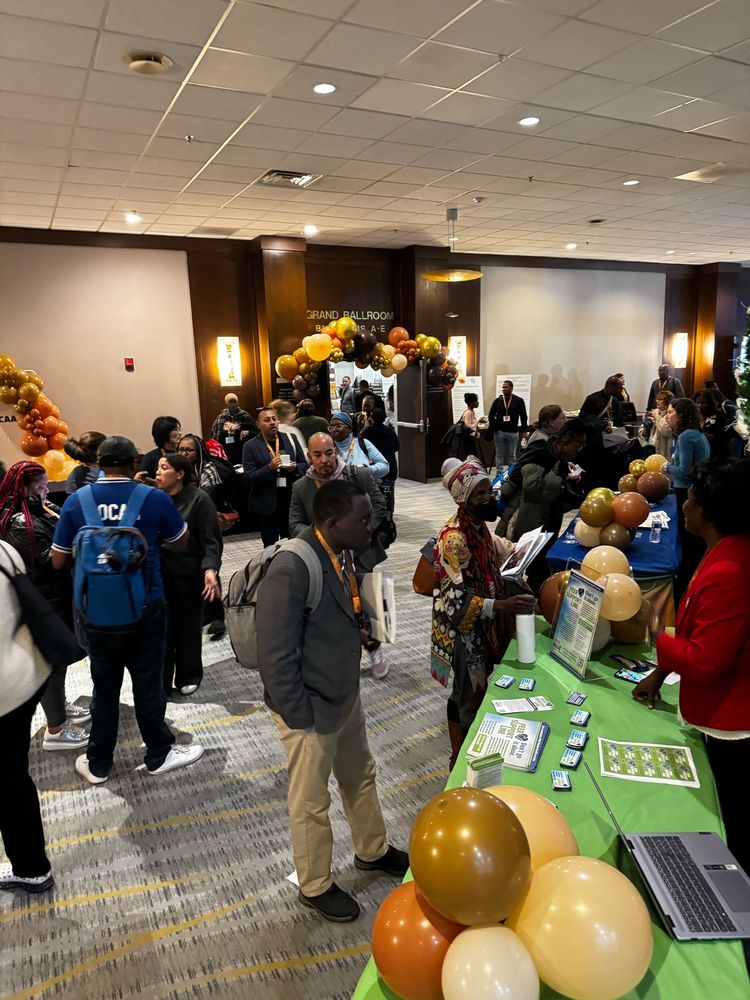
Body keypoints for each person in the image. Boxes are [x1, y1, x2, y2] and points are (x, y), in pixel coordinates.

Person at [256, 480, 408, 922]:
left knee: (360, 776)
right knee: (310, 801)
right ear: (331, 522)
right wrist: (300, 716)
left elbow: (336, 610)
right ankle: (315, 884)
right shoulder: (292, 567)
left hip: (344, 694)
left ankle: (372, 850)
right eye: (362, 519)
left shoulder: (342, 552)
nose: (370, 526)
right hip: (309, 708)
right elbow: (274, 655)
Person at [51, 436, 204, 783]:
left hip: (97, 611)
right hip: (146, 605)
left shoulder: (77, 501)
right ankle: (158, 754)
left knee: (104, 688)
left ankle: (98, 763)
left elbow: (58, 560)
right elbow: (180, 542)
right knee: (148, 684)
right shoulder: (153, 498)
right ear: (135, 462)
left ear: (98, 462)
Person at [632, 458, 750, 877]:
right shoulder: (724, 550)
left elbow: (706, 661)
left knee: (730, 826)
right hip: (716, 711)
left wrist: (655, 633)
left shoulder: (730, 570)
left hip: (730, 727)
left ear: (710, 511)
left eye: (692, 498)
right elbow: (701, 630)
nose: (683, 504)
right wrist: (660, 672)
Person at [431, 458, 536, 767]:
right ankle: (466, 764)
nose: (489, 498)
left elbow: (498, 548)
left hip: (481, 624)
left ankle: (459, 750)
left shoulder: (477, 528)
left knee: (466, 690)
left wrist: (523, 548)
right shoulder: (454, 539)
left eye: (490, 491)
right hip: (463, 630)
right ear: (464, 500)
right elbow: (457, 603)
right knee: (470, 697)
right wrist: (504, 605)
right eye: (480, 494)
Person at [0, 461, 89, 751]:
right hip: (46, 598)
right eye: (41, 486)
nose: (47, 490)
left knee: (57, 663)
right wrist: (74, 541)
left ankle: (58, 708)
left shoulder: (38, 510)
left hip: (54, 595)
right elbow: (49, 563)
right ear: (24, 488)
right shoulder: (20, 523)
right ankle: (56, 729)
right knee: (53, 664)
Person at [289, 431, 392, 680]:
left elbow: (379, 505)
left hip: (361, 553)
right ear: (309, 456)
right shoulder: (301, 487)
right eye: (317, 455)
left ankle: (375, 649)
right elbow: (294, 524)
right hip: (325, 559)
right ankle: (342, 654)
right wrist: (320, 538)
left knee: (368, 603)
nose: (325, 460)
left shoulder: (358, 475)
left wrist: (362, 529)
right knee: (335, 608)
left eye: (329, 453)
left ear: (336, 451)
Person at [0, 540, 54, 894]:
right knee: (13, 777)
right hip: (26, 676)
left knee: (8, 781)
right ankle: (32, 866)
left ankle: (32, 868)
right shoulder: (4, 548)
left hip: (3, 694)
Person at [156, 454, 222, 696]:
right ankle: (161, 680)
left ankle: (189, 674)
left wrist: (210, 569)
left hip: (189, 573)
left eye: (164, 468)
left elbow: (211, 539)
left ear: (180, 474)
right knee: (161, 628)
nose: (158, 472)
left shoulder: (199, 499)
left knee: (188, 626)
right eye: (157, 468)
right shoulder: (156, 498)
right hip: (159, 573)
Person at [497, 420, 587, 593]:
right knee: (521, 565)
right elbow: (532, 487)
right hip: (527, 520)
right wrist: (562, 486)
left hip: (545, 520)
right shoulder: (540, 451)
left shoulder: (558, 457)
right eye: (577, 446)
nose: (578, 451)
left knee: (538, 566)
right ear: (565, 441)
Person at [176, 433, 234, 637]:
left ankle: (217, 616)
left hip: (207, 526)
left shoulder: (207, 469)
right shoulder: (177, 470)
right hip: (186, 531)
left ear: (199, 452)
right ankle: (205, 613)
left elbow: (205, 498)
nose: (184, 453)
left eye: (189, 450)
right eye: (181, 449)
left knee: (209, 567)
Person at [662, 397, 711, 607]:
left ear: (682, 415)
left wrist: (666, 467)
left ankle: (685, 585)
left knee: (689, 540)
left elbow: (684, 471)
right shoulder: (692, 434)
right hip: (692, 489)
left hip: (688, 490)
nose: (667, 416)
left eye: (671, 412)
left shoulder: (686, 436)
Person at [242, 406, 306, 546]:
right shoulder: (250, 446)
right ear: (258, 424)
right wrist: (269, 468)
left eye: (274, 419)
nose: (272, 422)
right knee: (270, 546)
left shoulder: (290, 438)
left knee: (292, 544)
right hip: (267, 503)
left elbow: (304, 465)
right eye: (266, 420)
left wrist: (295, 468)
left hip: (290, 500)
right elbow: (249, 478)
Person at [329, 411, 389, 479]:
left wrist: (364, 471)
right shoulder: (328, 446)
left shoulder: (363, 443)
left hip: (361, 485)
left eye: (338, 426)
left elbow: (385, 466)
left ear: (350, 428)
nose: (334, 429)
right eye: (331, 427)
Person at [361, 408, 400, 512]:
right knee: (389, 492)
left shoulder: (367, 432)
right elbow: (397, 447)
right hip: (390, 467)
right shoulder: (390, 431)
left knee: (374, 494)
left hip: (374, 467)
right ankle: (389, 514)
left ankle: (377, 514)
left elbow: (361, 447)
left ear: (372, 418)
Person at [487, 380, 527, 473]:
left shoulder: (519, 401)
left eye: (506, 387)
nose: (503, 389)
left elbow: (523, 416)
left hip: (513, 432)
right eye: (503, 387)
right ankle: (499, 473)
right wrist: (494, 426)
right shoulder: (497, 401)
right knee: (499, 455)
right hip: (499, 432)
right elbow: (491, 415)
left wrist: (524, 430)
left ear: (511, 388)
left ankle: (511, 473)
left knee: (512, 455)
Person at [210, 394, 257, 466]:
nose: (233, 404)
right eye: (230, 402)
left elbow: (256, 432)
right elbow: (214, 435)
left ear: (238, 403)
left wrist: (249, 432)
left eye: (235, 402)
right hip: (226, 452)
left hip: (241, 451)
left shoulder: (245, 416)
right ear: (226, 404)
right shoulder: (221, 417)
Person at [138, 416, 182, 482]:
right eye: (175, 430)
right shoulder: (150, 458)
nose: (180, 433)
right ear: (163, 433)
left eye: (179, 429)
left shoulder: (183, 453)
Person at [694, 388, 731, 458]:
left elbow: (724, 437)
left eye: (703, 403)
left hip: (716, 453)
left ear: (710, 403)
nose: (699, 406)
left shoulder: (718, 416)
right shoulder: (693, 417)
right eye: (697, 402)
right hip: (699, 453)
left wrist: (705, 436)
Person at [639, 390, 673, 459]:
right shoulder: (655, 412)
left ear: (667, 402)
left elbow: (665, 431)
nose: (657, 401)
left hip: (662, 450)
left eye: (660, 399)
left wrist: (656, 417)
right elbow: (643, 426)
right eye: (657, 399)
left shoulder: (669, 415)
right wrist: (642, 431)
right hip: (649, 446)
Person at [458, 392, 481, 458]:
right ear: (471, 403)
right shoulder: (468, 412)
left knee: (473, 456)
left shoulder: (471, 412)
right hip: (468, 439)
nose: (478, 402)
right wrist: (478, 420)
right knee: (471, 456)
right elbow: (468, 426)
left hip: (470, 439)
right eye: (476, 401)